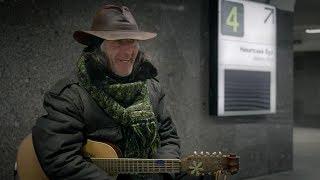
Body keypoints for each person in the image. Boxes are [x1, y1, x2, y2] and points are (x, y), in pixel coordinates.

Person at [32, 4, 181, 180]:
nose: (128, 51)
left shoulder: (153, 89)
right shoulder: (70, 96)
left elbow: (168, 138)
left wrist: (161, 175)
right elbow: (60, 159)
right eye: (118, 42)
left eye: (132, 41)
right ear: (97, 48)